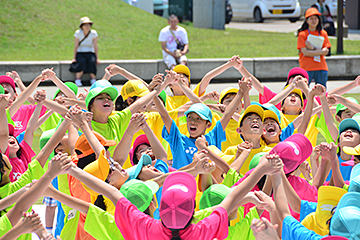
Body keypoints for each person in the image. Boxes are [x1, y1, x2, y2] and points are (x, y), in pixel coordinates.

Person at [297, 7, 331, 87]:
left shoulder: (323, 33)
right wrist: (320, 52)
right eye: (311, 19)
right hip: (306, 67)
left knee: (322, 91)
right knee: (303, 91)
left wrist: (312, 49)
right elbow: (305, 52)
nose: (314, 21)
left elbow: (326, 51)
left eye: (315, 18)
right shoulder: (302, 34)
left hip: (321, 66)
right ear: (307, 20)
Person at [71, 16, 99, 87]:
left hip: (90, 52)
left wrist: (97, 58)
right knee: (81, 62)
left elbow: (95, 46)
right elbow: (76, 46)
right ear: (82, 26)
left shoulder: (93, 33)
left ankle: (93, 79)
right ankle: (78, 79)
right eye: (85, 25)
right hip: (80, 52)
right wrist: (74, 58)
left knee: (92, 62)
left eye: (89, 24)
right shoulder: (78, 33)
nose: (87, 26)